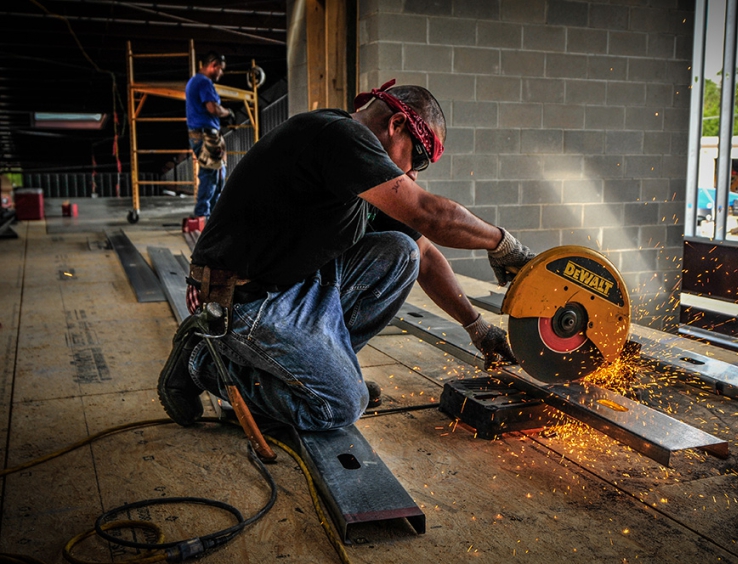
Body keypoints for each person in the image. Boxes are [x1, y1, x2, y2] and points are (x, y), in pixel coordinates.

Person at [159, 80, 535, 433]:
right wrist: (503, 244)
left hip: (291, 285)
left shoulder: (362, 171)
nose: (413, 175)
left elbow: (423, 252)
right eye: (418, 159)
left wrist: (478, 330)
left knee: (402, 252)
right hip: (243, 300)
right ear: (397, 124)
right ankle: (203, 363)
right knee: (338, 407)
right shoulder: (339, 136)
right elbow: (430, 215)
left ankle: (313, 374)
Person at [185, 51, 235, 218]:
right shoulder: (204, 82)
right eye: (220, 69)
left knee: (216, 173)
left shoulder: (194, 81)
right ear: (213, 65)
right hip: (206, 135)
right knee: (211, 174)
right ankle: (204, 215)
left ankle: (212, 214)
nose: (221, 73)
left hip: (201, 133)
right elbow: (212, 108)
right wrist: (227, 113)